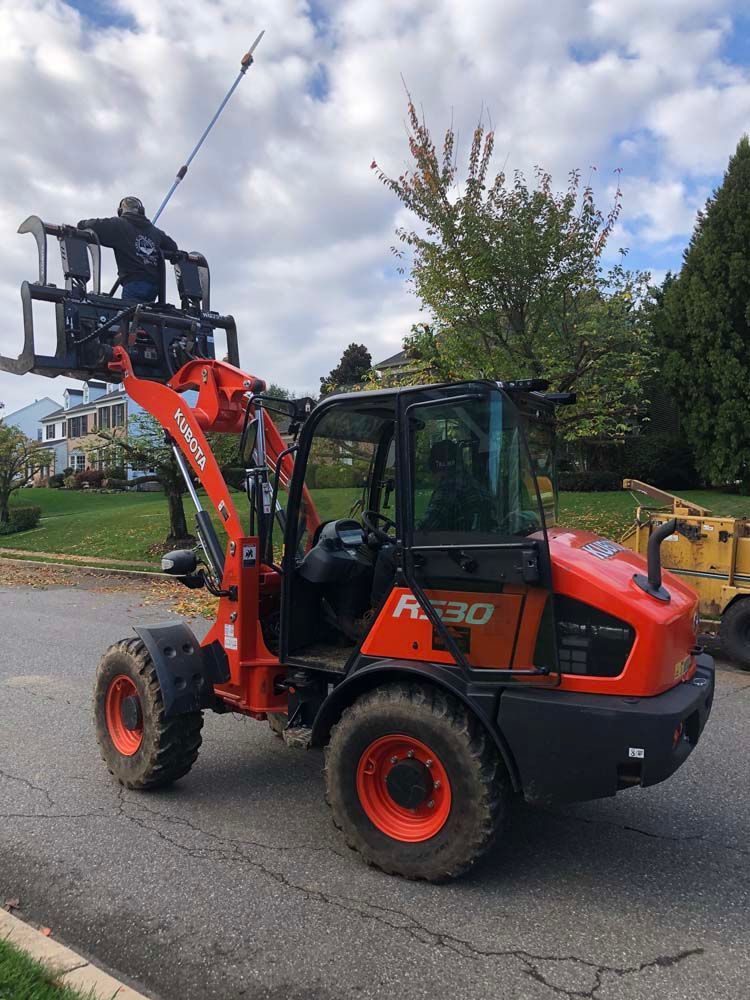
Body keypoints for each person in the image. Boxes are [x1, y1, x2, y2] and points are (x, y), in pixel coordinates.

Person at [77, 197, 178, 303]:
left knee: (129, 316)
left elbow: (92, 225)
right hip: (154, 287)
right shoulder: (156, 232)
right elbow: (173, 248)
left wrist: (81, 225)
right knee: (146, 315)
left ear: (120, 211)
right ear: (141, 211)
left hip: (133, 283)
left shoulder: (118, 224)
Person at [417, 438, 497, 533]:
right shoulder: (472, 483)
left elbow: (425, 529)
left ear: (435, 467)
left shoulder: (449, 488)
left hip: (465, 545)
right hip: (482, 543)